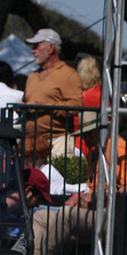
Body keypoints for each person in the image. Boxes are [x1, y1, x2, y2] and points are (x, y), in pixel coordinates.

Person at [31, 113, 127, 255]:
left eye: (90, 134)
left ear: (101, 132)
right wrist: (77, 196)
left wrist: (100, 195)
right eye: (85, 135)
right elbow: (90, 187)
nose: (87, 139)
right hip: (92, 214)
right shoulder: (95, 152)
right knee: (40, 216)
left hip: (113, 217)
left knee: (67, 215)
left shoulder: (118, 148)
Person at [22, 29, 82, 165]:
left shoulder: (69, 74)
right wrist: (22, 107)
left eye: (37, 46)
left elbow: (76, 106)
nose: (33, 51)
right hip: (32, 144)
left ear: (51, 48)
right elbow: (27, 101)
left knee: (57, 183)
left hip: (57, 142)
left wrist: (46, 107)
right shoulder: (32, 76)